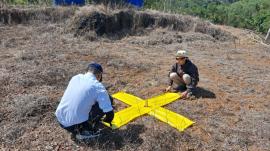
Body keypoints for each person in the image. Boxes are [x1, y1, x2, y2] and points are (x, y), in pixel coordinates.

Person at [55, 62, 114, 140]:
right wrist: (108, 119)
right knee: (109, 99)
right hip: (73, 125)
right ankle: (83, 131)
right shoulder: (98, 86)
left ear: (86, 71)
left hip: (59, 118)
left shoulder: (75, 77)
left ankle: (80, 125)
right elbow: (109, 112)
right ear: (99, 75)